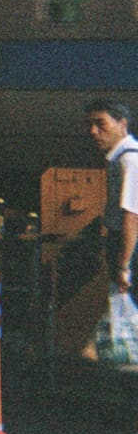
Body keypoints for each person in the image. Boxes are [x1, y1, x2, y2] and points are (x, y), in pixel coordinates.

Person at [85, 97, 138, 301]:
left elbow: (132, 216)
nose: (93, 131)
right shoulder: (121, 159)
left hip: (131, 249)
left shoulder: (130, 160)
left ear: (122, 124)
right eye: (90, 124)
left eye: (101, 123)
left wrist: (124, 264)